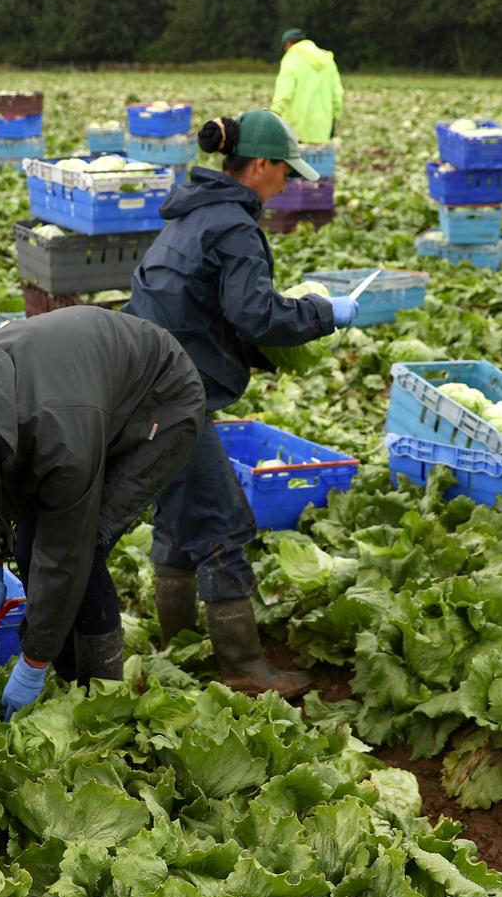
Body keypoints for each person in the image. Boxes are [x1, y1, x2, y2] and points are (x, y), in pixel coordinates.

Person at [0, 309, 207, 717]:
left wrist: (32, 663)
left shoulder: (59, 444)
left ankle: (102, 692)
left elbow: (66, 554)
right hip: (76, 394)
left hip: (157, 402)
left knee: (87, 547)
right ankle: (66, 673)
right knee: (33, 547)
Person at [128, 111, 358, 695]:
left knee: (182, 517)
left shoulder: (191, 213)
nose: (286, 184)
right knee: (224, 522)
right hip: (176, 393)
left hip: (145, 385)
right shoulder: (232, 226)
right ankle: (244, 666)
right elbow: (255, 313)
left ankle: (175, 643)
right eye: (283, 171)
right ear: (259, 165)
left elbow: (200, 305)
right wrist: (325, 314)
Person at [271, 28, 343, 144]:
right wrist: (335, 116)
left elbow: (285, 90)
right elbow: (337, 93)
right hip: (322, 126)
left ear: (288, 43)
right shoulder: (327, 60)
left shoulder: (291, 58)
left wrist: (274, 113)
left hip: (296, 126)